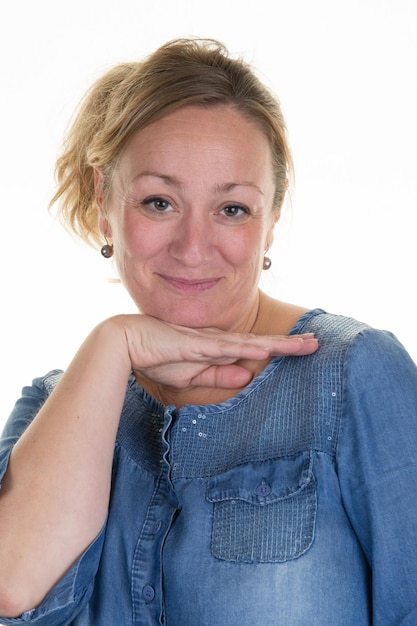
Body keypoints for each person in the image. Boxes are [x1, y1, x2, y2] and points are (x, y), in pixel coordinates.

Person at [0, 37, 417, 626]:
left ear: (272, 218)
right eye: (158, 202)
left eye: (233, 209)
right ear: (104, 202)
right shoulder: (54, 405)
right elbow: (10, 587)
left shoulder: (355, 376)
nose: (193, 248)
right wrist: (114, 342)